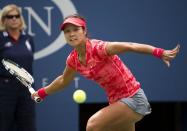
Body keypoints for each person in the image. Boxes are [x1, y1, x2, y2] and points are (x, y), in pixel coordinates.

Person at [32, 14, 180, 131]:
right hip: (116, 102)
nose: (71, 34)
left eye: (76, 30)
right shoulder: (73, 60)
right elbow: (63, 80)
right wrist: (42, 93)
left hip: (133, 98)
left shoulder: (100, 48)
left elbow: (130, 46)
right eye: (67, 31)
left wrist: (159, 52)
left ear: (84, 31)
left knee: (92, 125)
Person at [0, 4, 36, 131]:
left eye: (17, 16)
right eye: (10, 16)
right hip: (5, 90)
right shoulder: (1, 39)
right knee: (4, 125)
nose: (14, 19)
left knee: (27, 126)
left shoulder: (28, 39)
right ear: (4, 20)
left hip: (26, 89)